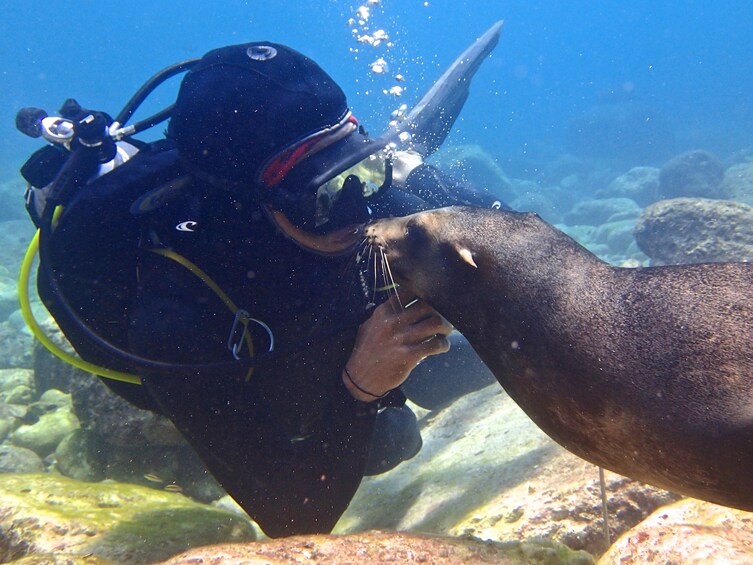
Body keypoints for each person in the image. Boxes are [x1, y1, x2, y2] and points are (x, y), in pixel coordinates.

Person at [23, 39, 503, 537]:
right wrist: (362, 386)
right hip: (251, 359)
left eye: (360, 167)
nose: (355, 212)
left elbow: (495, 241)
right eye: (323, 191)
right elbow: (294, 516)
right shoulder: (176, 317)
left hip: (310, 307)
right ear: (247, 204)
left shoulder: (336, 204)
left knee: (429, 335)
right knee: (389, 442)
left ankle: (396, 160)